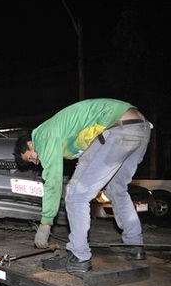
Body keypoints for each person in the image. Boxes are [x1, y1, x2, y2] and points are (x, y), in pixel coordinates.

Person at [13, 98, 152, 274]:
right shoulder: (63, 132)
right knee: (117, 189)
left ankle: (78, 256)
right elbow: (88, 152)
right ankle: (135, 245)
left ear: (30, 144)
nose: (35, 161)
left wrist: (46, 223)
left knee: (75, 194)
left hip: (116, 128)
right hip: (140, 127)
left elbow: (53, 180)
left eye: (30, 157)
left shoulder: (42, 135)